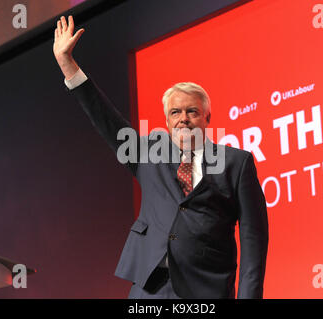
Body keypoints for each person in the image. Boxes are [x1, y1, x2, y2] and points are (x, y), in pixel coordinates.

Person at [53, 15, 268, 299]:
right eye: (175, 113)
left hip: (207, 290)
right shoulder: (150, 154)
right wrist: (68, 64)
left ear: (207, 117)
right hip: (150, 289)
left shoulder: (236, 162)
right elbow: (106, 120)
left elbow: (254, 239)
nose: (183, 119)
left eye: (192, 111)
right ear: (167, 122)